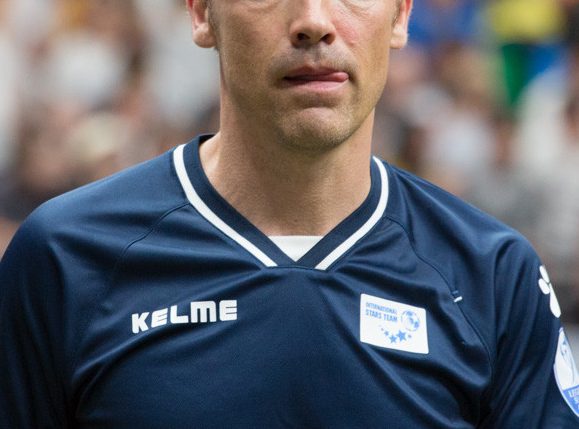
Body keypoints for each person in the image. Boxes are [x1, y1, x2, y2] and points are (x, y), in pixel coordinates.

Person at [1, 0, 578, 427]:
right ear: (201, 13)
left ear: (401, 15)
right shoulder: (63, 257)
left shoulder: (494, 276)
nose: (313, 20)